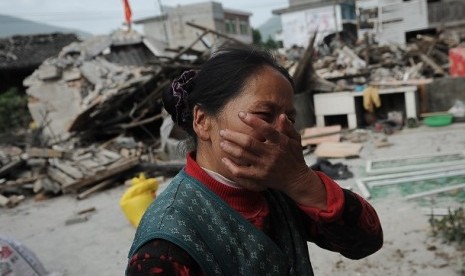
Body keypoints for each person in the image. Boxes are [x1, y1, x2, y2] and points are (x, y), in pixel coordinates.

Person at [126, 46, 383, 275]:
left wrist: (302, 181)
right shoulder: (165, 246)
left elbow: (365, 241)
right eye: (264, 114)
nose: (281, 131)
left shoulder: (281, 188)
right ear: (203, 121)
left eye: (290, 119)